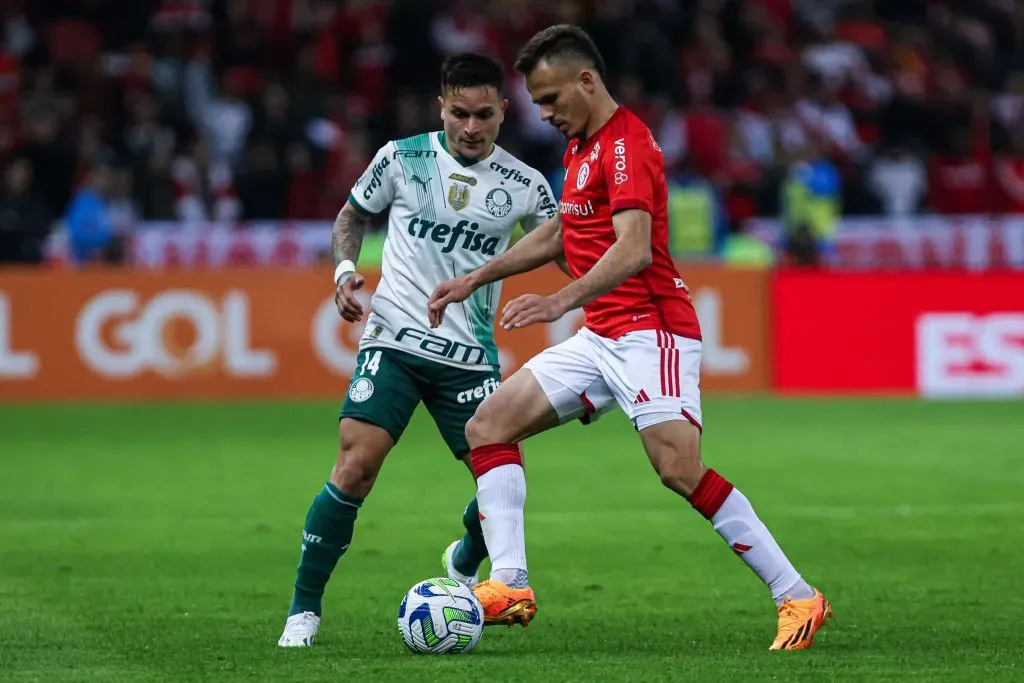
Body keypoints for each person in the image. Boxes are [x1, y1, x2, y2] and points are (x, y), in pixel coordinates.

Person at [428, 25, 832, 651]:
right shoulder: (581, 147)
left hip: (653, 331)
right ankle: (510, 582)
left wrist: (558, 300)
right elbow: (562, 234)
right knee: (489, 426)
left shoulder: (626, 146)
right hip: (603, 335)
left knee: (678, 468)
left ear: (586, 81)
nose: (544, 114)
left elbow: (636, 248)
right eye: (536, 102)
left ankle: (798, 597)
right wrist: (475, 277)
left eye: (551, 99)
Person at [276, 52, 559, 647]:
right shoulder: (401, 158)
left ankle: (462, 557)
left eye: (485, 114)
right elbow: (352, 215)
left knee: (501, 489)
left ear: (505, 112)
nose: (472, 127)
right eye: (460, 113)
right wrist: (345, 271)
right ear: (442, 107)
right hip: (396, 343)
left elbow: (569, 249)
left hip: (471, 360)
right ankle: (303, 612)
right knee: (355, 467)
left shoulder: (526, 186)